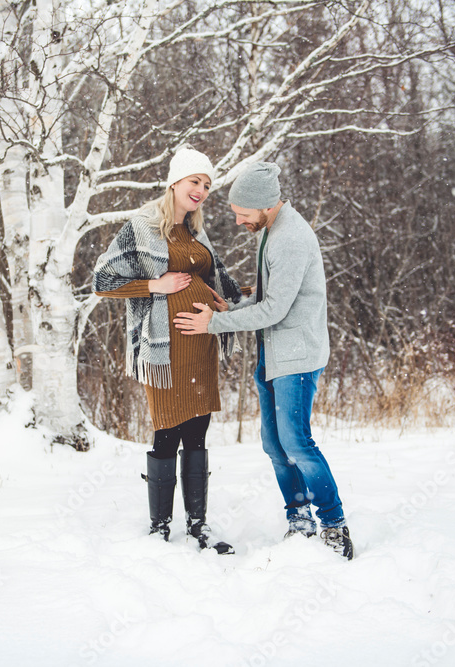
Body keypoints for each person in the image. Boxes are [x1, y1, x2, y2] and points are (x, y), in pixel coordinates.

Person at [173, 161, 354, 560]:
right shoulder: (271, 229)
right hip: (273, 354)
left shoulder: (290, 238)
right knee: (274, 444)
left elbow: (275, 310)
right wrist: (237, 302)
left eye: (241, 213)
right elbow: (270, 297)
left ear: (264, 205)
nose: (238, 220)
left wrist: (216, 323)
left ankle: (334, 525)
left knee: (297, 443)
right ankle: (299, 519)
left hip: (297, 356)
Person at [92, 147, 242, 555]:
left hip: (202, 343)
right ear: (175, 182)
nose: (202, 190)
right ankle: (160, 527)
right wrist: (154, 285)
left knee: (198, 431)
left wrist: (232, 297)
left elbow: (212, 277)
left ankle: (198, 526)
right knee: (167, 431)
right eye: (195, 181)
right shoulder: (142, 226)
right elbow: (102, 279)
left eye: (208, 185)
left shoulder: (195, 231)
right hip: (164, 350)